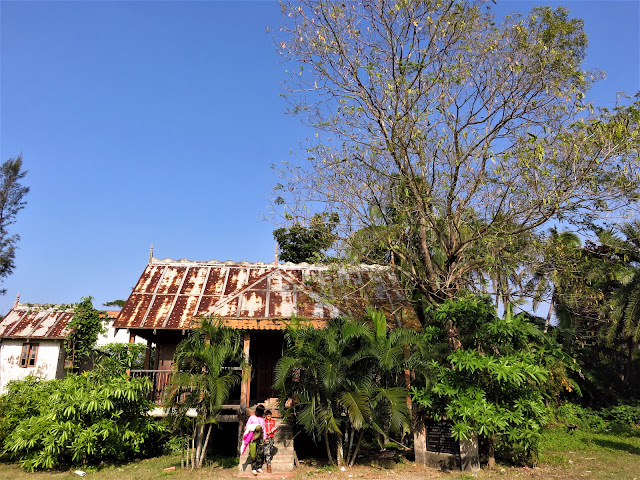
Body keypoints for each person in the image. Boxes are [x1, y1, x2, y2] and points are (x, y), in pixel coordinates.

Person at [242, 405, 266, 474]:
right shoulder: (252, 417)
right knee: (253, 453)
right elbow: (247, 426)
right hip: (253, 437)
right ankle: (253, 468)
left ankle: (259, 467)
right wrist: (254, 428)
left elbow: (263, 428)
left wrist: (264, 437)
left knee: (260, 452)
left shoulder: (262, 419)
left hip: (260, 437)